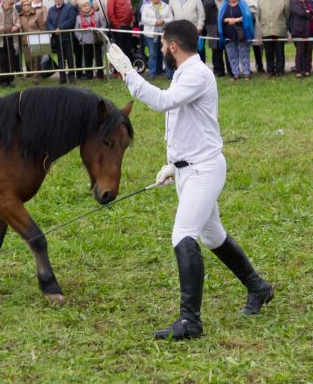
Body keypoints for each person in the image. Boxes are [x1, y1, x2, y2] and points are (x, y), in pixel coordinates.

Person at [106, 20, 274, 340]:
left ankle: (190, 322)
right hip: (189, 168)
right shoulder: (184, 74)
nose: (162, 49)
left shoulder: (197, 73)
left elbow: (163, 103)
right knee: (212, 236)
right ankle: (258, 287)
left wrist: (129, 73)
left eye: (163, 44)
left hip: (204, 169)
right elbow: (182, 122)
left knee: (183, 234)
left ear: (172, 46)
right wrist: (174, 165)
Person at [219, 0, 254, 80]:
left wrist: (237, 20)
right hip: (228, 34)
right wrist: (228, 19)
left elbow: (248, 16)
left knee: (244, 54)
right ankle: (235, 73)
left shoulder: (243, 4)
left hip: (241, 33)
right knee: (232, 55)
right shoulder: (224, 5)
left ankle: (246, 73)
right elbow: (220, 19)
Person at [257, 0, 290, 77]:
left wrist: (282, 23)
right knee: (268, 52)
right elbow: (259, 14)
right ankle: (270, 70)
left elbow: (287, 13)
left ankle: (280, 70)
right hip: (266, 29)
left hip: (279, 28)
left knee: (280, 51)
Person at [140, 0, 173, 79]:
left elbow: (171, 19)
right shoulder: (146, 7)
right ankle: (152, 73)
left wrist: (163, 21)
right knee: (153, 54)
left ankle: (169, 73)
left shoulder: (166, 6)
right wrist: (155, 21)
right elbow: (143, 19)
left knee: (166, 53)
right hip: (150, 35)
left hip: (164, 34)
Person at [47, 0, 78, 84]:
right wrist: (53, 30)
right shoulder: (51, 10)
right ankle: (62, 77)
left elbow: (71, 20)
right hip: (57, 38)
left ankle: (72, 76)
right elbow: (48, 22)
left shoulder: (69, 7)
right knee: (60, 58)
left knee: (69, 57)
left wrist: (60, 28)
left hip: (67, 37)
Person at [290, 0, 313, 77]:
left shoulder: (308, 2)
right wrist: (311, 15)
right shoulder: (294, 3)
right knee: (300, 52)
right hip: (299, 31)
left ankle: (307, 70)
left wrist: (309, 10)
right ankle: (298, 71)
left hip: (310, 31)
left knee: (309, 51)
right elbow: (300, 13)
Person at [237, 0, 264, 74]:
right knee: (245, 43)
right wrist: (253, 2)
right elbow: (243, 2)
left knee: (257, 43)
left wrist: (252, 2)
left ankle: (259, 65)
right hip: (245, 17)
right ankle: (246, 67)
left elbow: (260, 0)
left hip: (256, 17)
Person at [74, 0, 107, 80]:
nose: (86, 7)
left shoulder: (97, 14)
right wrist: (80, 38)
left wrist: (100, 31)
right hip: (85, 41)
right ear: (81, 8)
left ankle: (100, 75)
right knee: (88, 59)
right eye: (84, 6)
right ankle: (89, 76)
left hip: (96, 40)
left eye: (88, 5)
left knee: (98, 58)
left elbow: (103, 25)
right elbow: (76, 30)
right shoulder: (78, 17)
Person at [203, 0, 231, 77]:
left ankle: (231, 70)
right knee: (216, 52)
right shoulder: (208, 4)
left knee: (229, 50)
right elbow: (205, 17)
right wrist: (208, 28)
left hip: (227, 29)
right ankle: (219, 71)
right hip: (213, 29)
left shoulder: (228, 3)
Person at [107, 0, 135, 64]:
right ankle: (117, 70)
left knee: (128, 48)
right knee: (119, 49)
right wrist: (118, 26)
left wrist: (132, 20)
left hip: (127, 27)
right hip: (118, 28)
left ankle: (128, 68)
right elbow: (110, 13)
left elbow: (130, 10)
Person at [19, 0, 46, 83]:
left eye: (28, 4)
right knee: (28, 60)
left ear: (30, 5)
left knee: (36, 59)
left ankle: (36, 77)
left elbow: (42, 27)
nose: (26, 6)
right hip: (25, 40)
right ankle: (35, 73)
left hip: (36, 38)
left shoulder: (37, 13)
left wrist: (43, 39)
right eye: (24, 5)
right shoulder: (20, 16)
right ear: (21, 6)